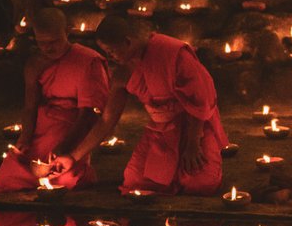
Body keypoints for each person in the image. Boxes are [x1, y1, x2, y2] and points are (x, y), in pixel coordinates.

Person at [49, 16, 228, 196]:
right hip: (161, 132)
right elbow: (106, 120)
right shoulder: (122, 75)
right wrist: (73, 157)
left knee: (199, 184)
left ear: (128, 41)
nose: (109, 56)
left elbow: (200, 100)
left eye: (111, 50)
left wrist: (193, 144)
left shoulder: (171, 54)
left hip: (195, 127)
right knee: (136, 184)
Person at [0, 8, 108, 192]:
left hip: (72, 126)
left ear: (67, 32)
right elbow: (30, 107)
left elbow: (87, 113)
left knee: (66, 178)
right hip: (43, 127)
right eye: (42, 43)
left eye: (54, 41)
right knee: (7, 175)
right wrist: (25, 137)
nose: (48, 48)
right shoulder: (35, 63)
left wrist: (64, 146)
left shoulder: (88, 61)